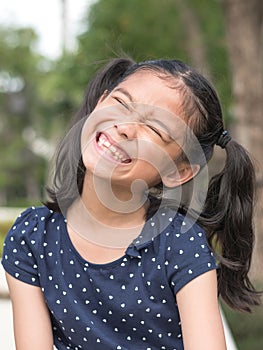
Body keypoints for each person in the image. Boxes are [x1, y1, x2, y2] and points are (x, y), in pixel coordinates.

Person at [2, 57, 261, 350]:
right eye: (122, 103)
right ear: (100, 103)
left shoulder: (179, 244)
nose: (125, 127)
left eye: (155, 129)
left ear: (178, 171)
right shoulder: (32, 237)